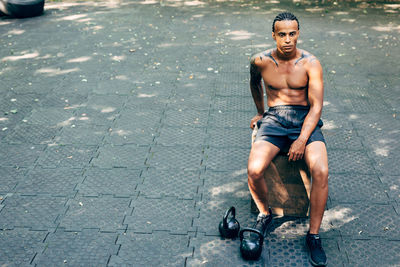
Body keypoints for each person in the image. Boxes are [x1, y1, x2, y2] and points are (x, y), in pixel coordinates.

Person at [247, 12, 328, 266]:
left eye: (292, 33)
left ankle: (313, 236)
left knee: (322, 170)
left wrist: (302, 139)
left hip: (305, 119)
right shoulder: (260, 61)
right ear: (274, 35)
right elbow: (254, 83)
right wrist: (261, 112)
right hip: (274, 120)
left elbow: (316, 107)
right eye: (282, 34)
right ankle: (264, 214)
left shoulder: (311, 63)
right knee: (254, 169)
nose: (287, 39)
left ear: (298, 34)